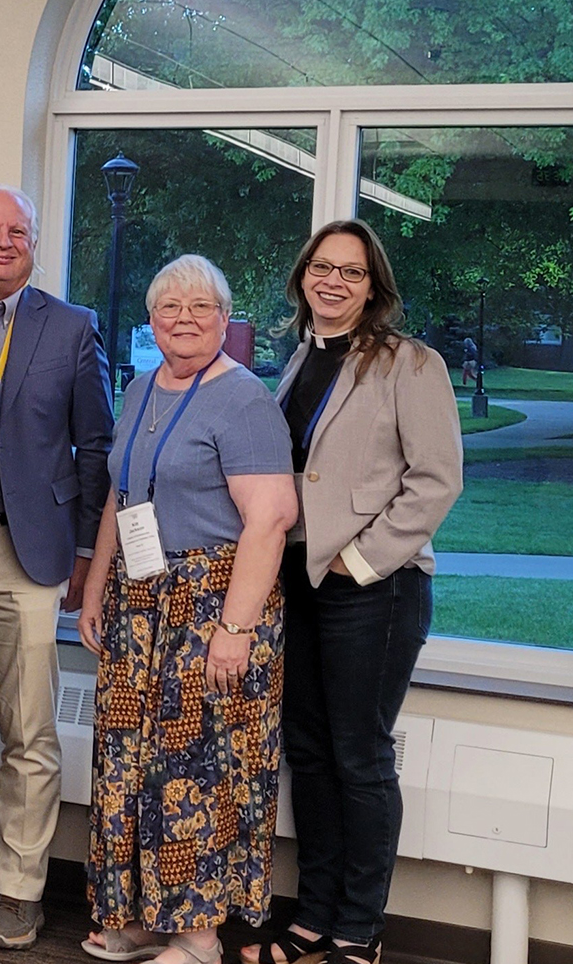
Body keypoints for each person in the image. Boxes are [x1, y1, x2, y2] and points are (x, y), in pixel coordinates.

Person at [240, 221, 461, 964]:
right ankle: (313, 917)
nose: (333, 282)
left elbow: (436, 481)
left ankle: (358, 931)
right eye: (322, 268)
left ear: (374, 287)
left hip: (376, 589)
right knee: (308, 750)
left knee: (359, 757)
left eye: (352, 273)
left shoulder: (410, 363)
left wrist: (360, 562)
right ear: (303, 276)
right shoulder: (300, 357)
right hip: (298, 585)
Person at [77, 255, 298, 964]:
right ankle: (147, 914)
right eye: (170, 307)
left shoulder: (244, 401)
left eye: (202, 307)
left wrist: (235, 631)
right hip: (140, 604)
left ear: (226, 319)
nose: (184, 319)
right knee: (128, 762)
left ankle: (199, 936)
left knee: (192, 769)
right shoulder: (141, 387)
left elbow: (270, 519)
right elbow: (123, 495)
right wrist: (95, 587)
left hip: (212, 604)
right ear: (150, 320)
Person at [0, 185, 115, 950]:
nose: (5, 240)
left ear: (34, 244)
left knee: (30, 732)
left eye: (20, 230)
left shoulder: (71, 329)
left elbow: (98, 448)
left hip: (29, 553)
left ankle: (19, 889)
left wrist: (82, 552)